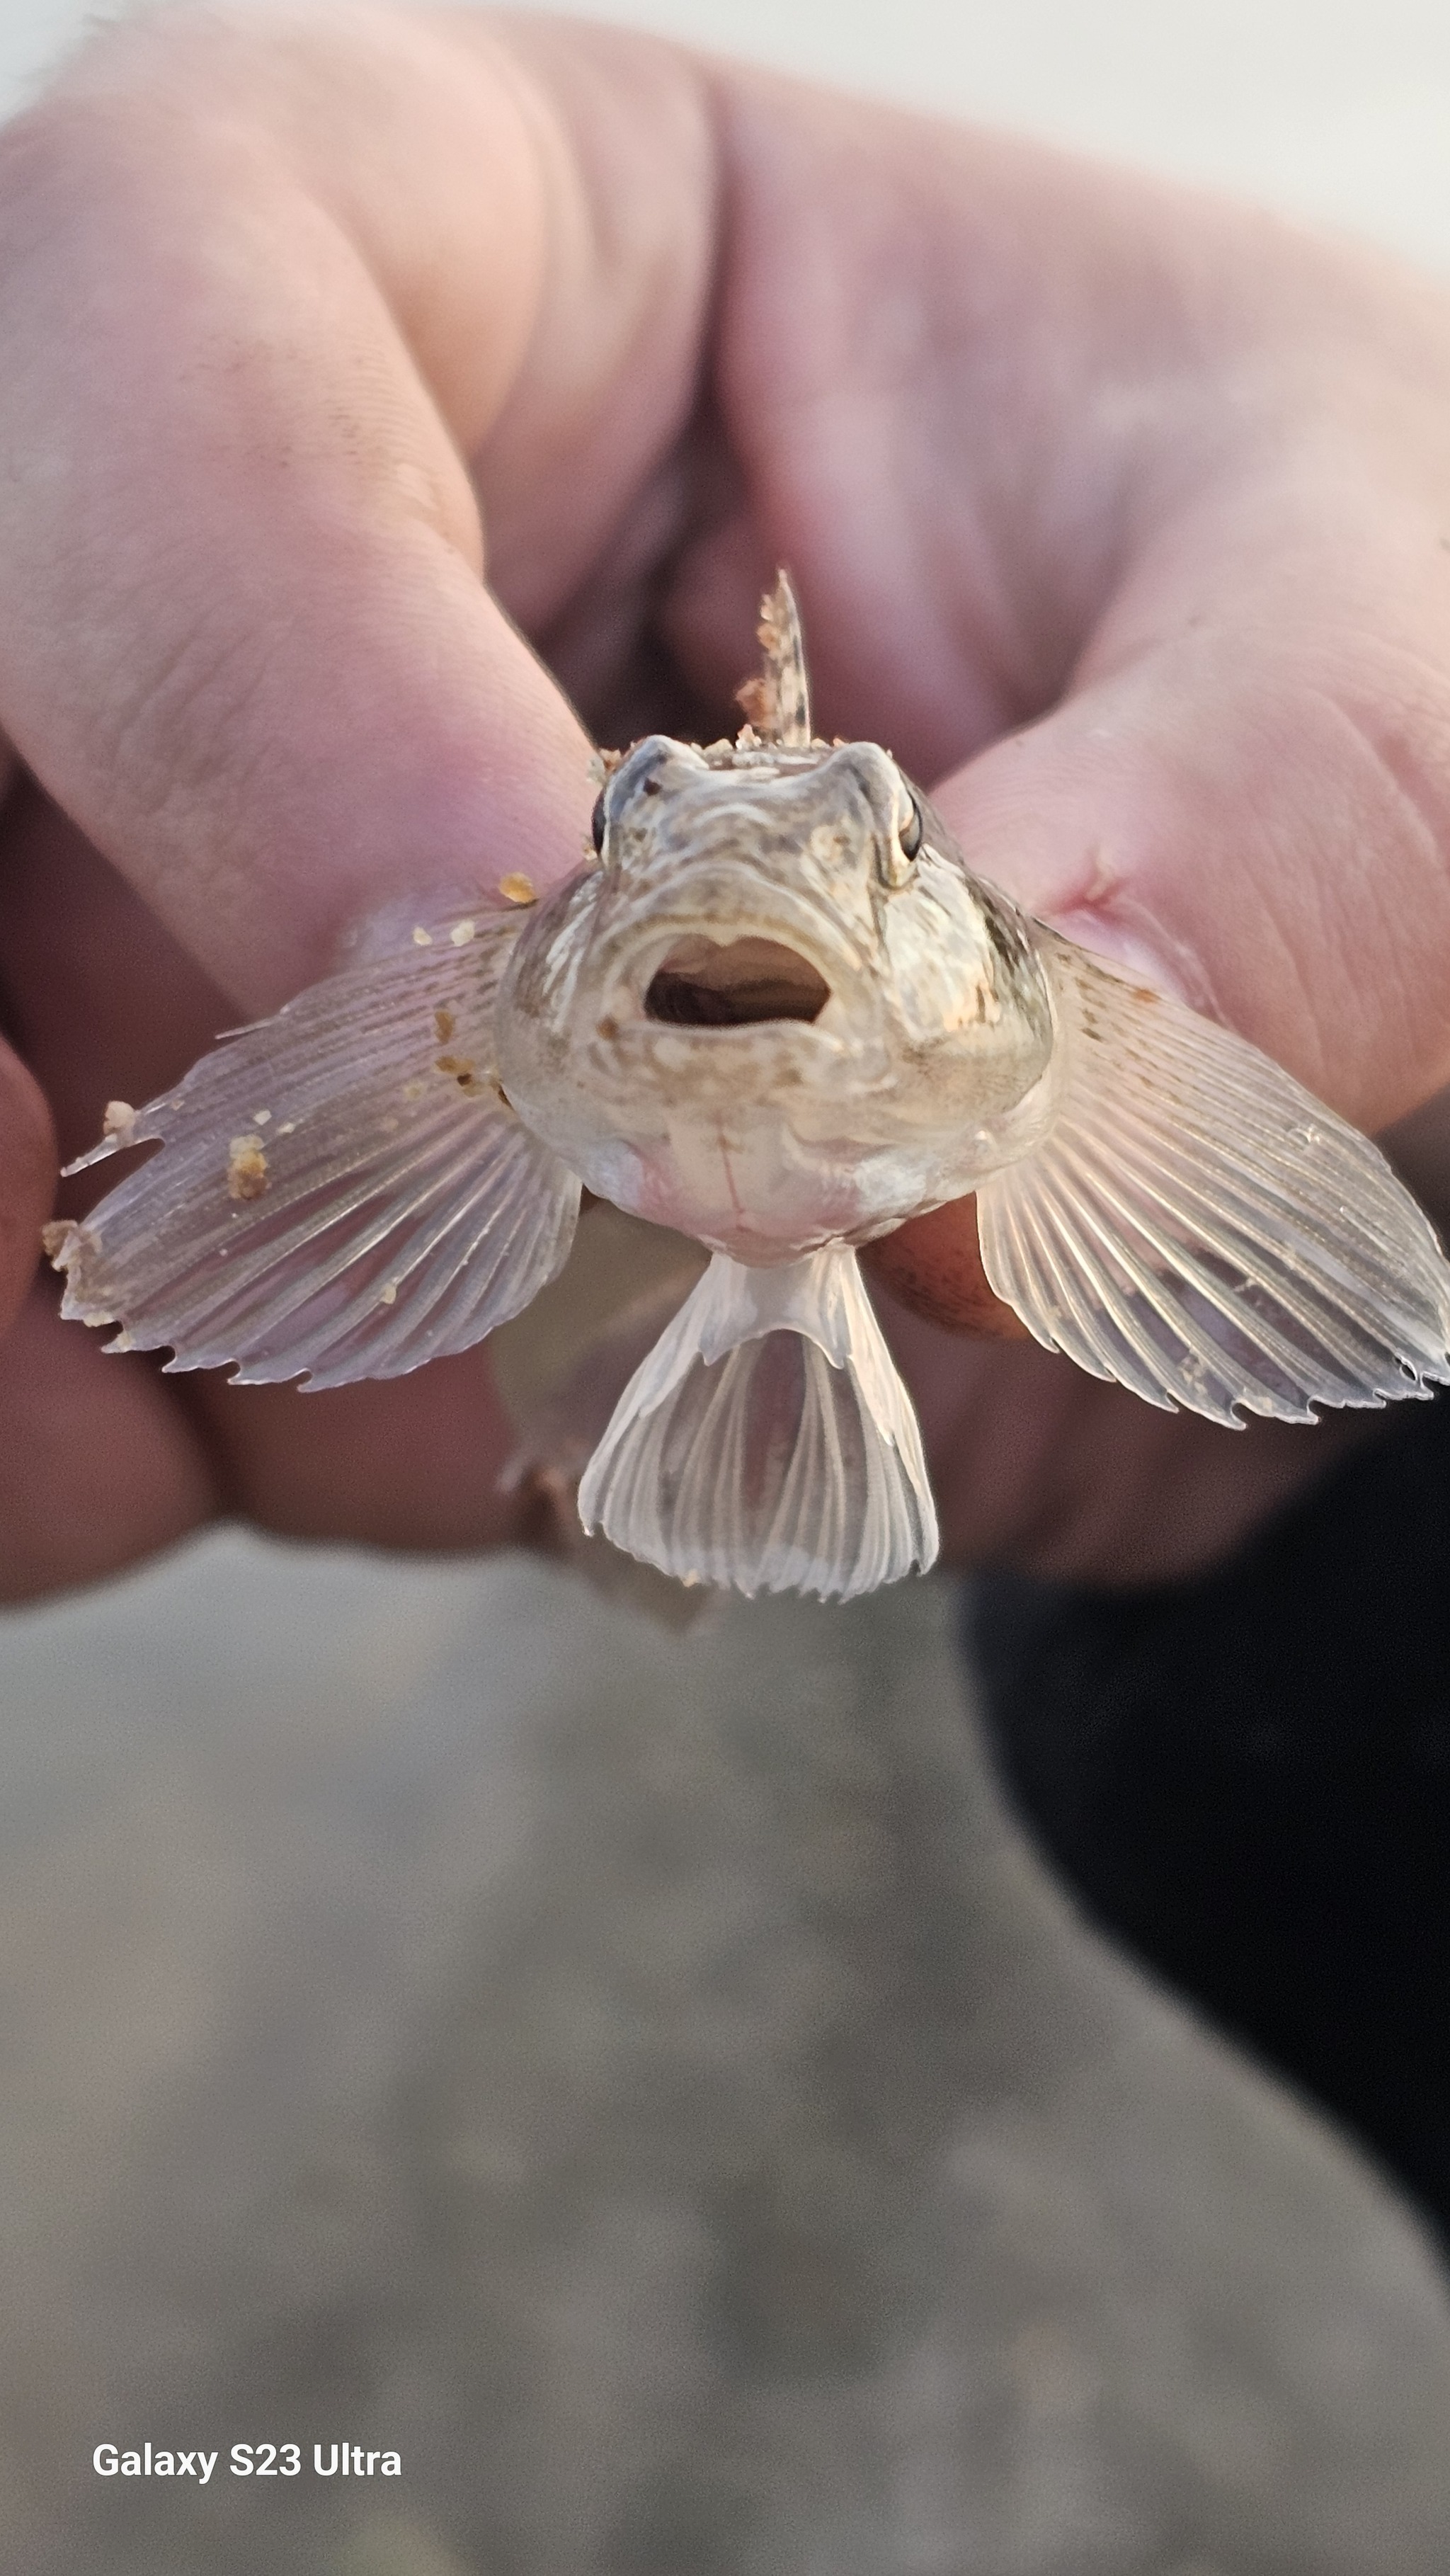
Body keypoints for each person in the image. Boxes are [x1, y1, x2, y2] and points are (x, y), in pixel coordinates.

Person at [1, 3, 1449, 2228]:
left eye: (869, 835)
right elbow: (211, 1217)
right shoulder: (484, 1020)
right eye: (630, 831)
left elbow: (1338, 1293)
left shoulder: (1064, 987)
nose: (737, 893)